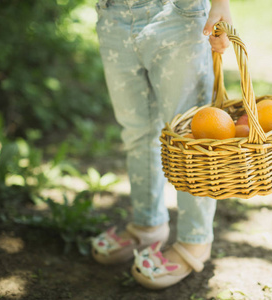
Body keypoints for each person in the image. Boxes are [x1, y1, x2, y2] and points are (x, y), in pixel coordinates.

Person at [90, 0, 232, 289]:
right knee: (137, 133)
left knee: (193, 137)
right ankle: (148, 224)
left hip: (177, 14)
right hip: (113, 15)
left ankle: (195, 240)